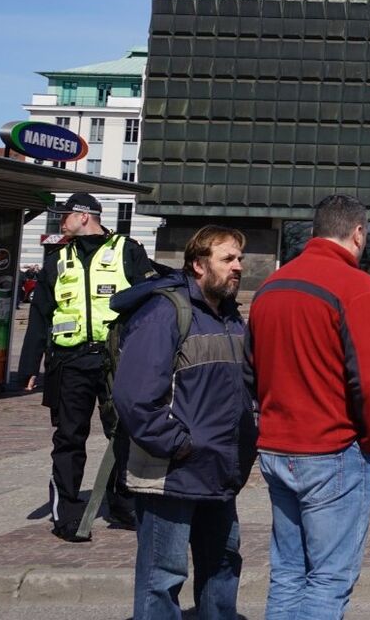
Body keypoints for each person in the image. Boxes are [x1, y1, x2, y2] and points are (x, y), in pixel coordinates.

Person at [248, 194, 370, 619]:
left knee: (289, 573)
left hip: (278, 447)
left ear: (314, 232)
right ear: (358, 233)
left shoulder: (270, 286)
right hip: (330, 449)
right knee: (329, 579)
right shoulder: (356, 287)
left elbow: (251, 373)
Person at [113, 226, 253, 620]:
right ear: (198, 264)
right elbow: (135, 396)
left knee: (223, 568)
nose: (238, 267)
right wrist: (178, 444)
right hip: (170, 474)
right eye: (228, 259)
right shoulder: (164, 313)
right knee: (163, 577)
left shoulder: (229, 318)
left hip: (218, 471)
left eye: (239, 259)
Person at [16, 192, 168, 541]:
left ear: (85, 216)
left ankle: (123, 505)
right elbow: (40, 316)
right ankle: (67, 513)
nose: (61, 221)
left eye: (65, 215)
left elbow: (150, 302)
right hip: (70, 362)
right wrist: (29, 367)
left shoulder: (127, 250)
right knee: (69, 437)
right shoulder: (57, 259)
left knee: (125, 432)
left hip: (118, 360)